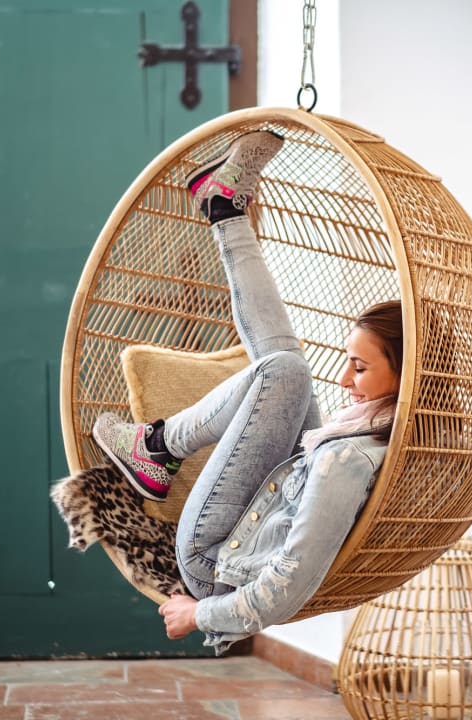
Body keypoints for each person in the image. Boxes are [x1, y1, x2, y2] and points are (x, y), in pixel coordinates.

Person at [90, 130, 403, 654]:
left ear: (404, 375)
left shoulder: (346, 461)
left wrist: (199, 614)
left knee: (285, 371)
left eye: (360, 367)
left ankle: (157, 447)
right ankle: (224, 209)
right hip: (258, 517)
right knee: (288, 367)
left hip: (214, 562)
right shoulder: (380, 430)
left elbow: (287, 585)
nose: (345, 380)